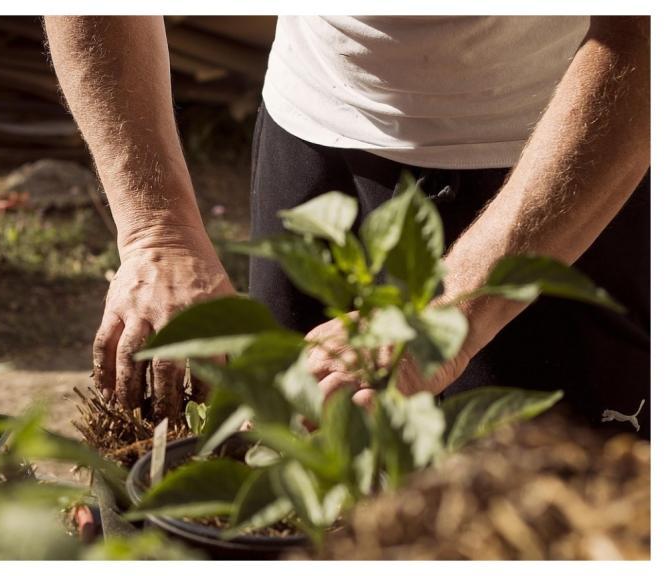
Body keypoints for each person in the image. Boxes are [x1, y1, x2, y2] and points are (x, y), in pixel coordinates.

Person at [44, 16, 650, 436]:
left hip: (557, 164)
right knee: (293, 478)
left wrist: (447, 312)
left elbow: (645, 36)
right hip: (311, 133)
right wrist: (158, 231)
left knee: (524, 523)